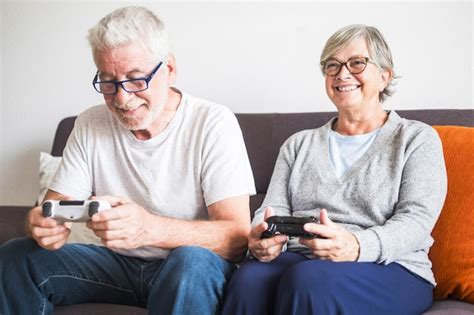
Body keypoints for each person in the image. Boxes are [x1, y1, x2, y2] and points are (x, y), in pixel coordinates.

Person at [0, 6, 255, 315]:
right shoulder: (90, 123)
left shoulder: (213, 122)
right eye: (108, 82)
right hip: (115, 266)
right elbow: (54, 208)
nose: (121, 99)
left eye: (135, 80)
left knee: (191, 261)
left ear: (169, 69)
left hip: (189, 268)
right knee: (17, 255)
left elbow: (237, 237)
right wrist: (39, 224)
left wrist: (149, 229)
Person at [222, 24, 447, 315]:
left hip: (393, 267)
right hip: (303, 259)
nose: (342, 74)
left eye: (357, 63)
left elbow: (416, 221)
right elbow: (271, 209)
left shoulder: (416, 139)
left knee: (309, 280)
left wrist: (356, 245)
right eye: (332, 65)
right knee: (250, 278)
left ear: (384, 76)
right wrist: (259, 238)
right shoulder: (298, 144)